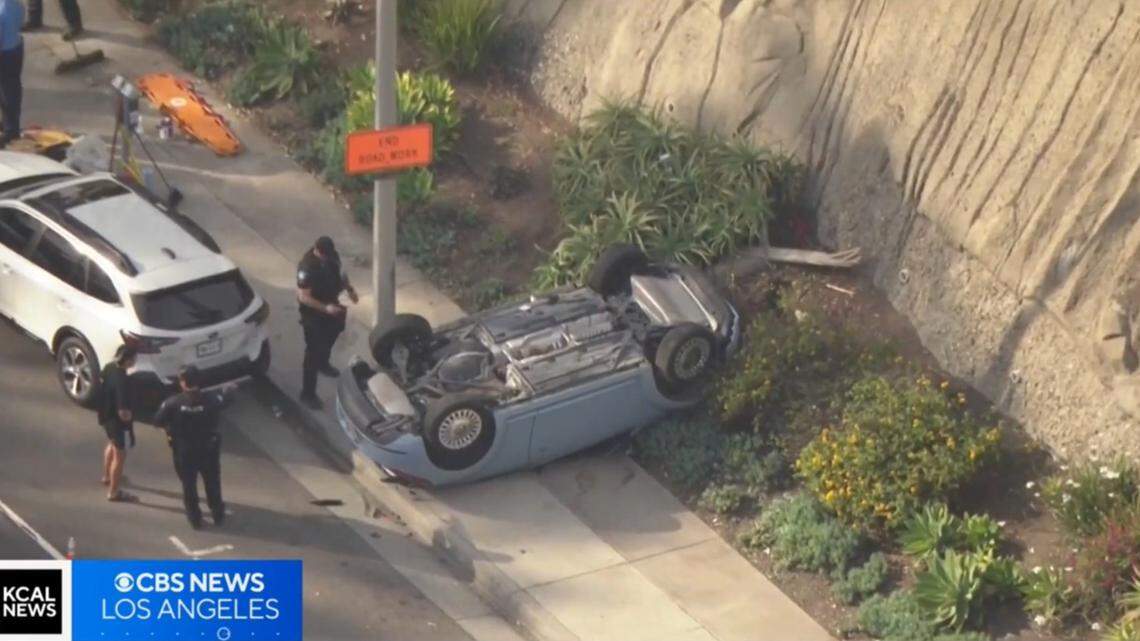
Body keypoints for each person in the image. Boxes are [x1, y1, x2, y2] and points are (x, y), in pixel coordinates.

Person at [153, 366, 233, 529]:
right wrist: (230, 390)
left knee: (189, 484)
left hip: (184, 450)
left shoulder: (173, 403)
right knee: (212, 481)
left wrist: (170, 428)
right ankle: (217, 512)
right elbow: (227, 400)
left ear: (183, 383)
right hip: (208, 448)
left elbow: (157, 421)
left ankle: (194, 518)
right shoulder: (212, 399)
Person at [296, 235, 358, 410]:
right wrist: (325, 308)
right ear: (317, 250)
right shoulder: (307, 267)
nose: (326, 257)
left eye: (328, 255)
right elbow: (303, 297)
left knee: (334, 332)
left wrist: (350, 290)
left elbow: (342, 274)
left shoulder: (332, 256)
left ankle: (323, 363)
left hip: (332, 304)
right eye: (324, 255)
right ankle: (307, 394)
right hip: (313, 313)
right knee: (312, 353)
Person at [98, 344, 138, 502]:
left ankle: (107, 476)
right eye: (134, 358)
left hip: (106, 417)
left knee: (112, 445)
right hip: (119, 424)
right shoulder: (123, 380)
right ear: (128, 360)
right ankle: (114, 492)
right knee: (120, 456)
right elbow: (123, 412)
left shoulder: (108, 368)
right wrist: (131, 416)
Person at [0, 0, 23, 147]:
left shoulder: (2, 10)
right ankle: (10, 125)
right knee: (11, 90)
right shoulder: (15, 4)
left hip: (4, 54)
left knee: (7, 93)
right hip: (16, 48)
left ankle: (10, 131)